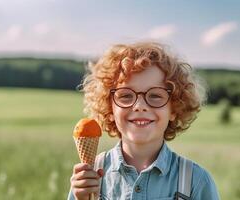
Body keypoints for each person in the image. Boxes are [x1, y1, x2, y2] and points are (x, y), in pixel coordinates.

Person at [68, 42, 220, 200]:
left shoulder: (196, 182)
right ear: (109, 107)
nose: (140, 106)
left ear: (174, 109)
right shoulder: (89, 177)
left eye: (155, 95)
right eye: (126, 95)